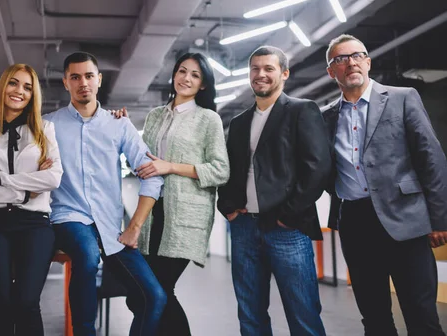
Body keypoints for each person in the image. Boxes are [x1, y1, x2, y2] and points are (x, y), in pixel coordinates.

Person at [322, 34, 447, 335]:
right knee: (375, 318)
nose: (350, 62)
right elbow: (322, 169)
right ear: (331, 71)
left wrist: (439, 218)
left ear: (367, 61)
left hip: (406, 218)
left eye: (357, 55)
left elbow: (431, 159)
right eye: (340, 58)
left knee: (421, 316)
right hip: (356, 222)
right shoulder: (326, 117)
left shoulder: (403, 97)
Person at [43, 51, 166, 336]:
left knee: (155, 297)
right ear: (65, 82)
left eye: (88, 76)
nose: (82, 82)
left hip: (111, 227)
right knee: (86, 257)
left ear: (99, 79)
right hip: (68, 215)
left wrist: (134, 227)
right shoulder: (48, 124)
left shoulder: (118, 124)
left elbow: (151, 175)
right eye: (75, 77)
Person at [217, 45, 329, 336]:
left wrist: (288, 215)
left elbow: (317, 168)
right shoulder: (239, 122)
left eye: (269, 68)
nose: (261, 74)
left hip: (287, 229)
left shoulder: (302, 111)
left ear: (284, 73)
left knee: (303, 313)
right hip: (244, 229)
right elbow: (230, 170)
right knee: (250, 314)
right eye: (255, 69)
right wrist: (227, 207)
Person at [134, 52, 229, 335]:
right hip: (151, 213)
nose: (186, 78)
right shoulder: (154, 116)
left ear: (203, 85)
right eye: (182, 71)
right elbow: (144, 159)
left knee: (159, 289)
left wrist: (170, 167)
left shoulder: (207, 119)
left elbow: (220, 170)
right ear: (174, 74)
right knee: (146, 294)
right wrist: (120, 124)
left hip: (185, 216)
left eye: (195, 75)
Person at [0, 63, 63, 335]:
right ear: (2, 87)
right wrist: (25, 190)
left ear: (33, 95)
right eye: (13, 83)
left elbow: (53, 179)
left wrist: (0, 180)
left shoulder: (45, 131)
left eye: (27, 87)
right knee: (2, 302)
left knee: (27, 301)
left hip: (35, 223)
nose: (19, 91)